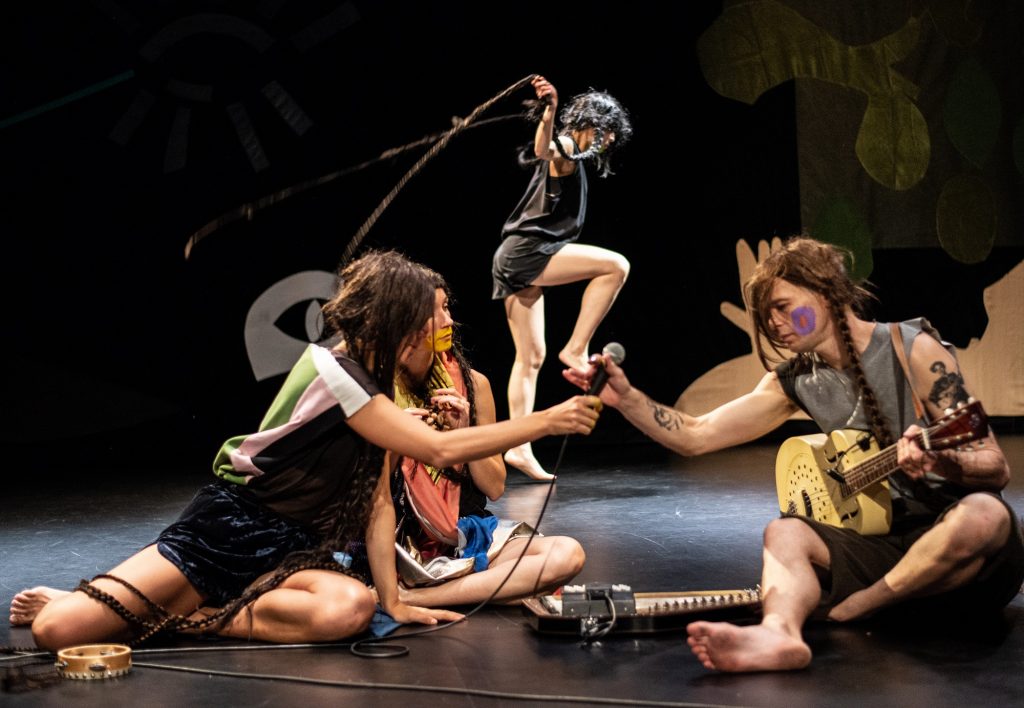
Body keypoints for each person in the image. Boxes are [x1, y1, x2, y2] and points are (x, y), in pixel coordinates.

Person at [16, 250, 600, 650]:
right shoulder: (333, 369)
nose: (443, 325)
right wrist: (547, 420)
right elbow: (435, 449)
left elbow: (378, 503)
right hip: (228, 532)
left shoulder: (380, 386)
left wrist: (393, 603)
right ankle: (155, 604)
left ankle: (196, 619)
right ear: (400, 322)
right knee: (57, 630)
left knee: (350, 610)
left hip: (297, 549)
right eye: (432, 315)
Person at [565, 236, 1024, 672]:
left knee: (985, 515)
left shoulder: (913, 349)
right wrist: (626, 398)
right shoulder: (795, 379)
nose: (775, 325)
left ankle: (870, 603)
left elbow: (995, 468)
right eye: (766, 316)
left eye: (783, 308)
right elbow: (695, 435)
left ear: (825, 292)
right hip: (883, 546)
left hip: (957, 557)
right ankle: (779, 635)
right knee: (784, 533)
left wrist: (941, 461)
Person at [372, 274, 584, 608]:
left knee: (566, 554)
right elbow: (363, 495)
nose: (448, 320)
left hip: (467, 539)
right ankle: (479, 589)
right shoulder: (373, 388)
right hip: (397, 544)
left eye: (447, 307)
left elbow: (495, 487)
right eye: (434, 312)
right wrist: (397, 445)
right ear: (403, 322)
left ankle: (421, 598)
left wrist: (466, 433)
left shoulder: (475, 385)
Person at [492, 75, 632, 481]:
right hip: (528, 251)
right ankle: (576, 348)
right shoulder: (568, 147)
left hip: (514, 256)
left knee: (530, 358)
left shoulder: (576, 155)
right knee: (616, 266)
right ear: (592, 123)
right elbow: (545, 148)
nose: (608, 141)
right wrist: (550, 110)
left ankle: (519, 447)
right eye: (606, 132)